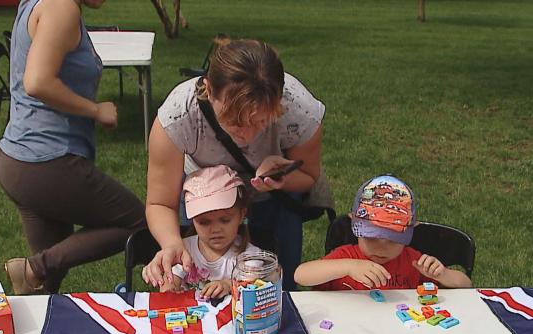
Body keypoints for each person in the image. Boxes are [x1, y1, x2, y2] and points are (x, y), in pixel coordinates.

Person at [143, 36, 327, 292]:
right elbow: (160, 202)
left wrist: (281, 178)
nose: (248, 135)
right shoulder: (178, 117)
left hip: (275, 200)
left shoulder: (299, 111)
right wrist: (172, 242)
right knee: (192, 281)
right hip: (204, 197)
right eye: (234, 121)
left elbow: (309, 175)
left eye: (261, 121)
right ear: (208, 90)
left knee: (279, 286)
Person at [0, 0, 146, 294]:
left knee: (45, 287)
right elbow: (37, 81)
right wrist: (95, 110)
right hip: (47, 161)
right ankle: (33, 268)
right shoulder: (61, 7)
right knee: (137, 222)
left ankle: (36, 284)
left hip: (20, 160)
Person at [294, 175, 472, 290]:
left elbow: (466, 284)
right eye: (372, 238)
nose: (382, 247)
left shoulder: (413, 262)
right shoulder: (346, 256)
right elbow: (301, 275)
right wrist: (348, 267)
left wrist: (443, 275)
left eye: (393, 240)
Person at [152, 165, 262, 300]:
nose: (215, 229)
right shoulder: (184, 250)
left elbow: (253, 284)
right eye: (204, 222)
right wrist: (169, 288)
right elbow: (170, 281)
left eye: (225, 220)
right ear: (192, 220)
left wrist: (227, 285)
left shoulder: (249, 256)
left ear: (241, 215)